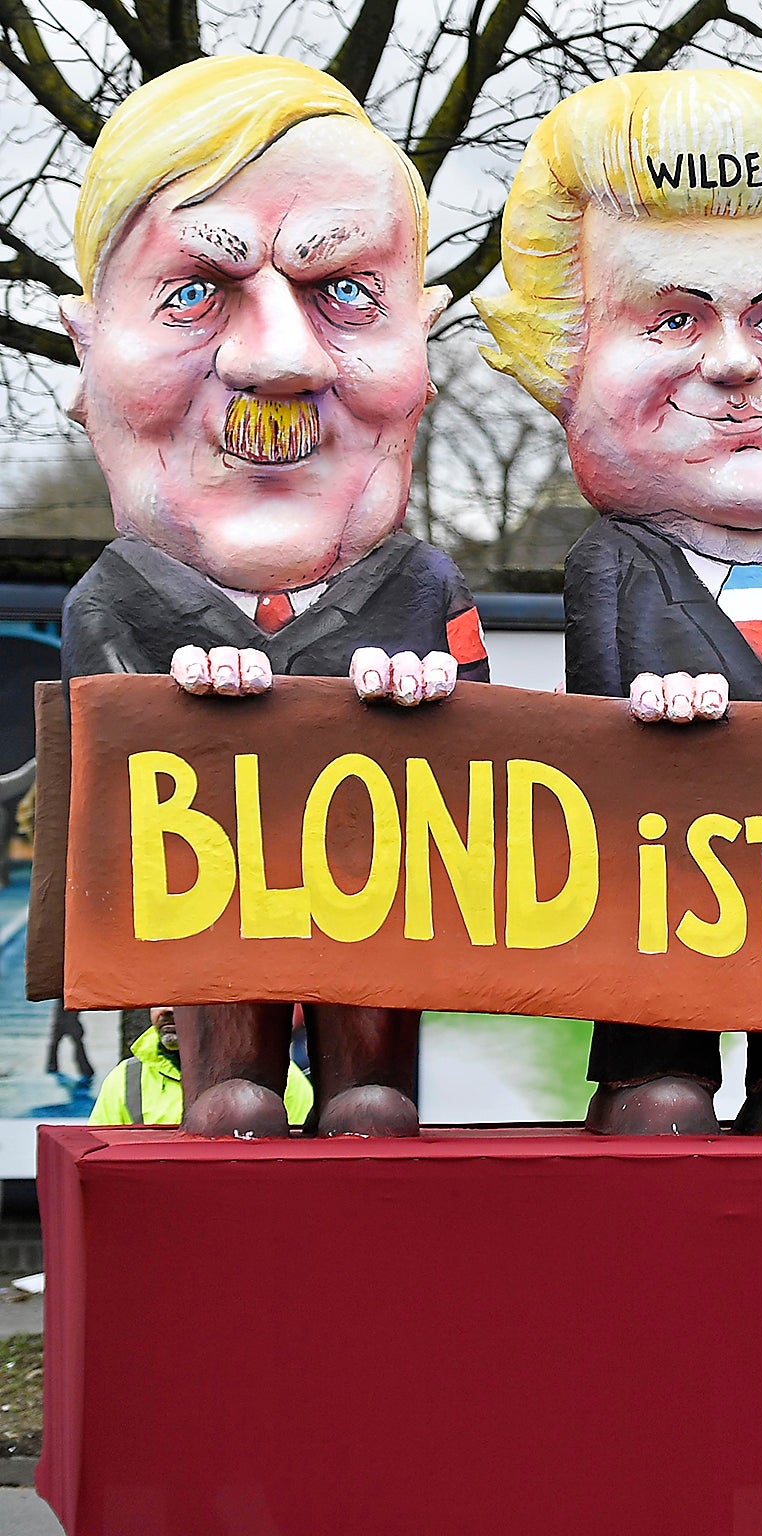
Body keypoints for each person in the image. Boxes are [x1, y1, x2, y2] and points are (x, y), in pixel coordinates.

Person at [478, 70, 762, 1136]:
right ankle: (646, 1065)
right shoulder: (612, 558)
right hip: (663, 879)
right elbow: (601, 712)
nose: (732, 362)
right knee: (656, 998)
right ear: (566, 353)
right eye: (672, 318)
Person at [58, 55, 487, 1138]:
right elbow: (104, 793)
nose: (279, 360)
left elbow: (499, 754)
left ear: (419, 344)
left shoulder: (423, 584)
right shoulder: (120, 598)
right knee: (234, 1085)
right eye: (195, 290)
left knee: (376, 1093)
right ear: (87, 350)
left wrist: (443, 695)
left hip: (377, 900)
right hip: (213, 922)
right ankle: (228, 1076)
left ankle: (368, 1078)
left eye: (344, 290)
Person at [90, 1009, 313, 1128]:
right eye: (159, 997)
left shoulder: (284, 1078)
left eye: (182, 998)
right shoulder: (126, 1079)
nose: (167, 1008)